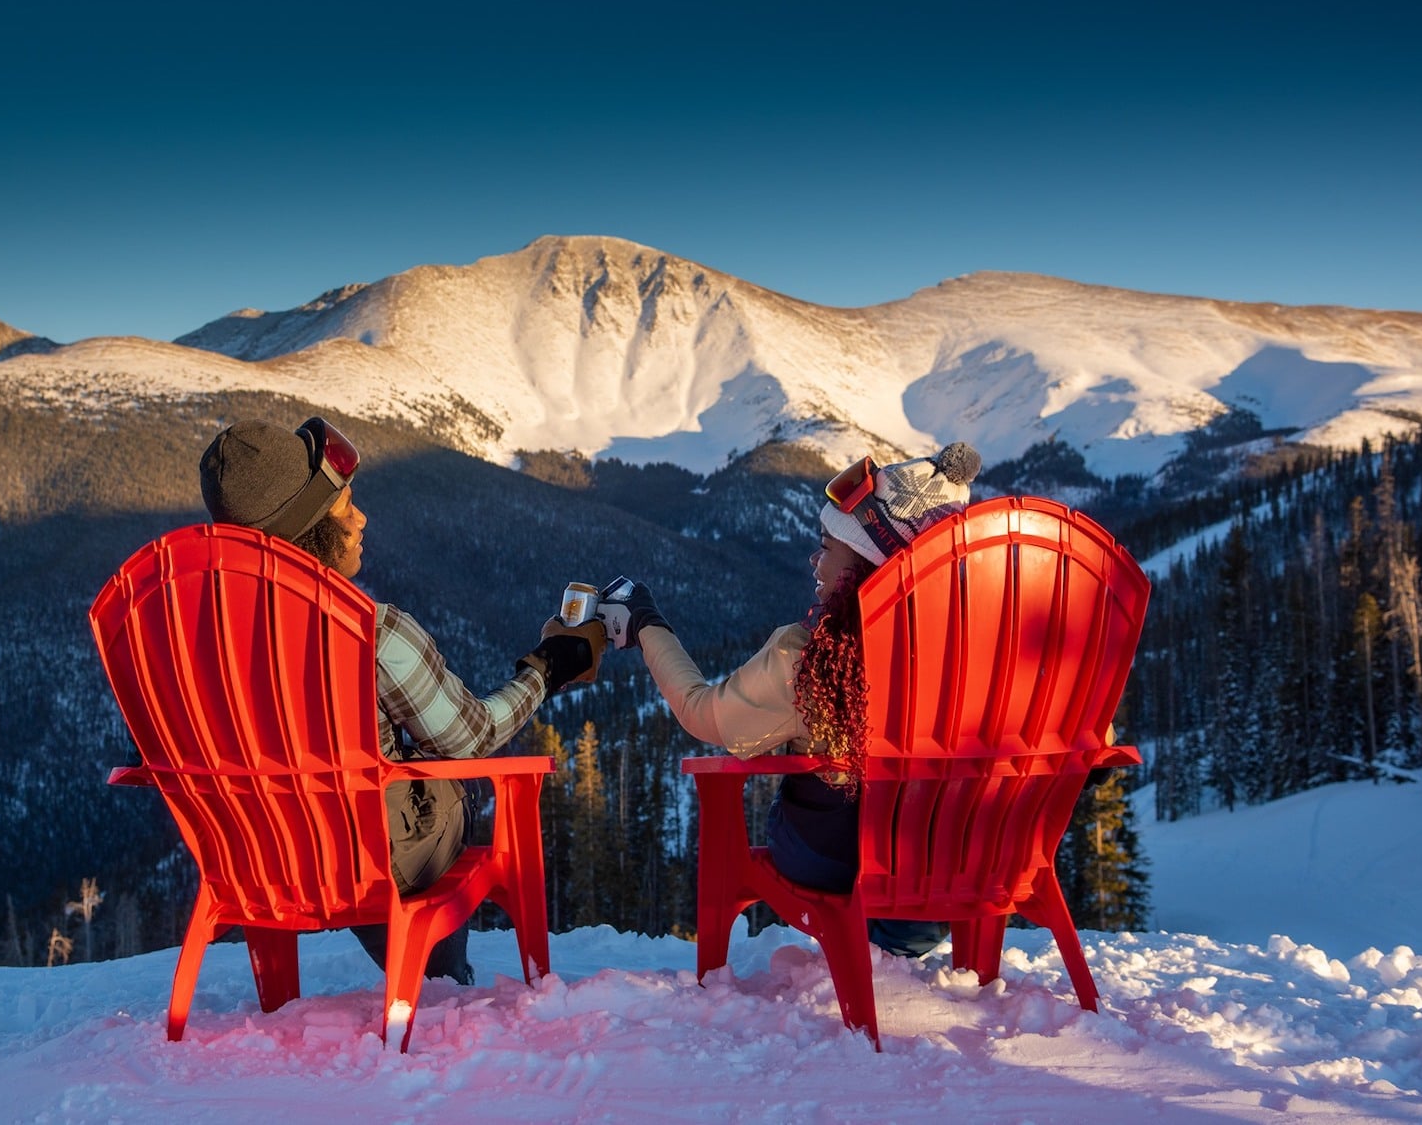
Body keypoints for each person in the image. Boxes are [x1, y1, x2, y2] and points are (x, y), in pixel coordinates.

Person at [199, 416, 605, 983]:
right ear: (310, 531)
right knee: (436, 776)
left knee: (370, 798)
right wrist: (548, 668)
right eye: (344, 508)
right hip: (365, 859)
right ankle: (437, 981)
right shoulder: (368, 631)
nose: (360, 518)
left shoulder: (186, 639)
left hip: (253, 858)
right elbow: (472, 737)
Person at [599, 442, 982, 959]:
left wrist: (647, 625)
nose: (815, 559)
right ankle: (909, 930)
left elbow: (701, 712)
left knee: (803, 801)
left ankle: (882, 929)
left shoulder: (812, 660)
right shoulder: (995, 652)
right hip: (962, 856)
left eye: (828, 546)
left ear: (871, 565)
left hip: (838, 857)